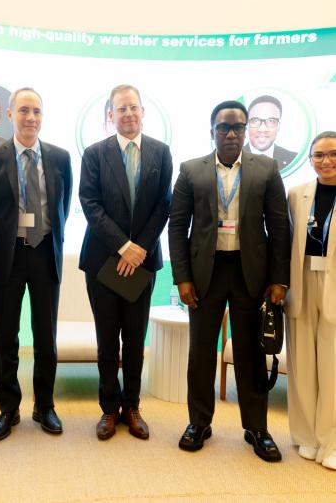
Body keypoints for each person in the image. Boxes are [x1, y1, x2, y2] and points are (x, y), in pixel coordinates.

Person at [168, 100, 290, 462]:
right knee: (201, 351)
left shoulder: (266, 169)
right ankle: (199, 423)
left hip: (249, 272)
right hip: (205, 274)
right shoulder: (191, 170)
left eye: (238, 127)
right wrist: (182, 278)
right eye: (224, 127)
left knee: (251, 353)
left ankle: (257, 428)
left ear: (246, 129)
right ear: (212, 131)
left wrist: (279, 278)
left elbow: (280, 227)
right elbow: (177, 227)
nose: (232, 133)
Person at [0, 87, 72, 442]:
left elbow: (61, 207)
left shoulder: (60, 158)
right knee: (6, 337)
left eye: (37, 111)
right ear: (11, 115)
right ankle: (8, 408)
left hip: (45, 254)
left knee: (46, 337)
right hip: (7, 257)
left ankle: (44, 405)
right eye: (24, 111)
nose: (31, 118)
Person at [79, 84, 172, 440]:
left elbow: (163, 204)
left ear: (143, 111)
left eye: (134, 107)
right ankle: (108, 409)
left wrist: (140, 249)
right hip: (103, 261)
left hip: (143, 262)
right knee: (107, 339)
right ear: (110, 115)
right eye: (121, 109)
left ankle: (132, 407)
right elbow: (90, 204)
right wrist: (123, 247)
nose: (128, 114)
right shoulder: (94, 153)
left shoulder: (161, 152)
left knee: (135, 339)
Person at [286, 131, 336, 470]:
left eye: (332, 154)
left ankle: (331, 442)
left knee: (332, 368)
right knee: (302, 364)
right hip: (301, 282)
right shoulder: (297, 194)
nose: (326, 161)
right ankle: (307, 436)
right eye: (318, 155)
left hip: (334, 284)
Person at [244, 95, 297, 171]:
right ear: (247, 124)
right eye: (255, 120)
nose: (262, 129)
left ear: (278, 126)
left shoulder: (292, 159)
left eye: (271, 121)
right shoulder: (232, 159)